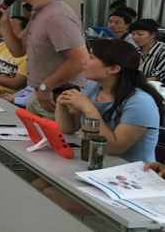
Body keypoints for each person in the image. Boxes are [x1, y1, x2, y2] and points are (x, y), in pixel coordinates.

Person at [34, 39, 163, 214]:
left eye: (92, 57)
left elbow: (113, 148)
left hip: (129, 176)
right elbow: (69, 128)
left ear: (113, 69)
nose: (84, 61)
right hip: (96, 167)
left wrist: (88, 108)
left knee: (51, 195)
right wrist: (62, 105)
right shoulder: (93, 88)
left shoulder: (140, 101)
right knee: (36, 185)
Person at [0, 0, 88, 120]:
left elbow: (80, 60)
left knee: (56, 137)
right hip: (40, 93)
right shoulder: (40, 12)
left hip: (58, 96)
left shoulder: (56, 16)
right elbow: (18, 50)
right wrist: (4, 24)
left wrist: (46, 86)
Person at [0, 16, 29, 96]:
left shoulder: (28, 55)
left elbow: (15, 83)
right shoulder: (2, 45)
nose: (6, 32)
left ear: (24, 33)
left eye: (11, 29)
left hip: (7, 95)